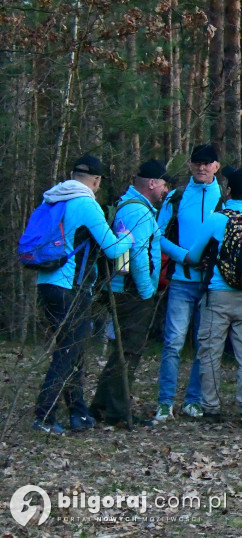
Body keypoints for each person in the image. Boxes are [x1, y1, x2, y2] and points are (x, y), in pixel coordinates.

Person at [30, 155, 133, 434]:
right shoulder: (86, 203)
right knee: (68, 353)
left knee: (73, 351)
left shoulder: (53, 198)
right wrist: (128, 238)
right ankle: (44, 416)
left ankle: (79, 413)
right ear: (96, 180)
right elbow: (112, 249)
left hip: (46, 282)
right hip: (71, 288)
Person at [183, 168, 242, 428]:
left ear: (228, 191)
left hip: (219, 293)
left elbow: (194, 255)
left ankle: (211, 407)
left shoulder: (216, 219)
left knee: (210, 352)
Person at [90, 160, 170, 428]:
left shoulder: (131, 206)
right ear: (151, 184)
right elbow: (137, 256)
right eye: (163, 184)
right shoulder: (139, 212)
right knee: (129, 352)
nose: (165, 190)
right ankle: (117, 412)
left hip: (124, 290)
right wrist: (148, 291)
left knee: (121, 351)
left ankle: (100, 407)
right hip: (133, 293)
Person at [155, 143, 223, 422]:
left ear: (216, 166)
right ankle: (164, 402)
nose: (202, 167)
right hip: (182, 281)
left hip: (213, 283)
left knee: (203, 345)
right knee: (173, 343)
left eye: (208, 163)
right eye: (197, 162)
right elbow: (157, 234)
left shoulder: (224, 198)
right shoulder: (176, 197)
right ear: (189, 165)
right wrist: (184, 256)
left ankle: (193, 400)